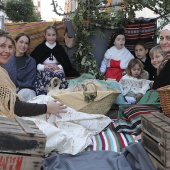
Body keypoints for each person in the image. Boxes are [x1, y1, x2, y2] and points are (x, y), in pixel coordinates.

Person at [0, 31, 111, 155]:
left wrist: (47, 106)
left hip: (14, 109)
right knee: (53, 127)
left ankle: (94, 121)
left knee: (45, 99)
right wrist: (47, 108)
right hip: (7, 123)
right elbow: (16, 107)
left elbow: (17, 99)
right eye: (2, 46)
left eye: (10, 47)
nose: (7, 50)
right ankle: (88, 127)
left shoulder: (8, 68)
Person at [113, 22, 170, 135]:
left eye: (168, 38)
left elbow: (161, 85)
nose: (164, 42)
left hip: (164, 106)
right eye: (162, 38)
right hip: (161, 102)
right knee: (130, 110)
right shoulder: (167, 59)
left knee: (133, 111)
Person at [31, 25, 79, 95]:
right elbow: (33, 63)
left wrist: (58, 67)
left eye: (53, 35)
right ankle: (46, 95)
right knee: (47, 74)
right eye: (49, 35)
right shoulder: (40, 48)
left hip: (56, 69)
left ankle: (59, 94)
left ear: (56, 35)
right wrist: (43, 67)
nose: (51, 37)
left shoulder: (59, 49)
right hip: (44, 69)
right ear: (45, 36)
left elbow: (66, 64)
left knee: (60, 74)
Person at [3, 33, 36, 101]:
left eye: (26, 43)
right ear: (15, 43)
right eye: (21, 42)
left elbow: (29, 83)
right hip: (7, 91)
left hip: (26, 92)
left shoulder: (31, 61)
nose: (23, 45)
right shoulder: (7, 58)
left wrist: (16, 89)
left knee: (26, 93)